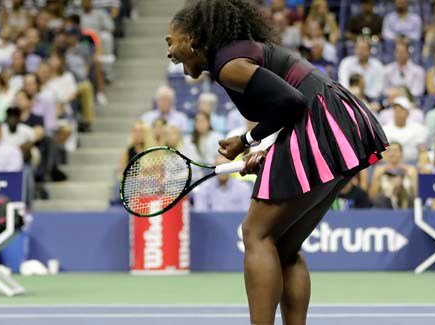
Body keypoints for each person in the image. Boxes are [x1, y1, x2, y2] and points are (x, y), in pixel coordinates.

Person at [166, 1, 388, 324]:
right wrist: (268, 151)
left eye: (170, 41)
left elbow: (291, 102)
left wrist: (246, 141)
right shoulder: (234, 56)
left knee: (255, 233)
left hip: (322, 118)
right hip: (335, 120)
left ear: (192, 38)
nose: (169, 50)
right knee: (284, 244)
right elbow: (286, 105)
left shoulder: (229, 64)